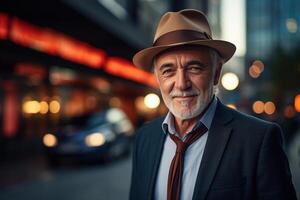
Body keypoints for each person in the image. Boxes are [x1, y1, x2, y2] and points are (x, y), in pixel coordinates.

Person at [129, 9, 297, 200]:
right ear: (157, 78)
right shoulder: (144, 138)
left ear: (216, 73)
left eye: (194, 68)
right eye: (168, 70)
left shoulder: (259, 140)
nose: (182, 83)